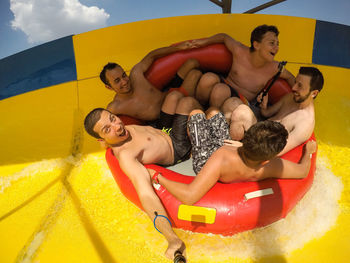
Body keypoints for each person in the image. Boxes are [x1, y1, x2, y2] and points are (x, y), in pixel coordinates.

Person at [83, 96, 202, 261]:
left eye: (113, 119)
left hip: (165, 132)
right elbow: (146, 195)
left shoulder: (118, 131)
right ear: (101, 139)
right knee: (193, 110)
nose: (117, 126)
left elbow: (112, 123)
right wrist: (171, 239)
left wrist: (107, 136)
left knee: (185, 101)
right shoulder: (126, 156)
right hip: (178, 149)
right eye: (107, 129)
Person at [152, 109, 317, 205]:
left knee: (196, 113)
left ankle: (191, 152)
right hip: (230, 154)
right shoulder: (270, 166)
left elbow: (189, 196)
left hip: (208, 162)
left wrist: (159, 178)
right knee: (215, 113)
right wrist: (308, 152)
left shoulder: (222, 157)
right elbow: (303, 171)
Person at [190, 25, 295, 112]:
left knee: (220, 91)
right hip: (226, 83)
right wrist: (204, 42)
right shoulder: (239, 51)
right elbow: (224, 37)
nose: (276, 48)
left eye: (277, 44)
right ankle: (198, 109)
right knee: (208, 78)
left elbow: (290, 77)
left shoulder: (275, 67)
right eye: (272, 43)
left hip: (241, 100)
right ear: (256, 45)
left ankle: (213, 121)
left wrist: (303, 95)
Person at [227, 66, 324, 156]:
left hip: (261, 146)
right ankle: (224, 141)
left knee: (241, 112)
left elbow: (278, 151)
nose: (293, 88)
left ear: (314, 93)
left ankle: (228, 150)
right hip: (259, 128)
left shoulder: (305, 124)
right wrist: (264, 106)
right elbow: (267, 114)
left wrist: (242, 146)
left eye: (300, 86)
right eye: (295, 82)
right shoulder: (290, 98)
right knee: (232, 103)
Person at [99, 41, 202, 125]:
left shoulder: (136, 74)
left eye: (124, 75)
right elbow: (102, 121)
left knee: (193, 64)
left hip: (169, 95)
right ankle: (198, 110)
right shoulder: (115, 106)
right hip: (163, 119)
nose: (124, 81)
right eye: (117, 81)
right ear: (109, 87)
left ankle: (199, 104)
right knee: (192, 78)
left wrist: (178, 48)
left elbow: (151, 55)